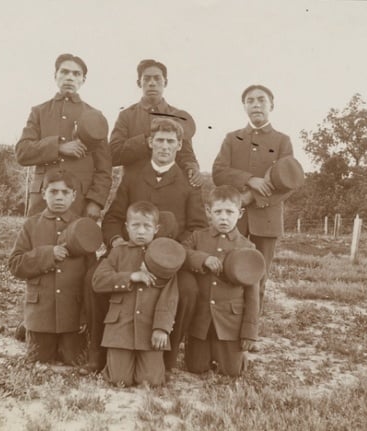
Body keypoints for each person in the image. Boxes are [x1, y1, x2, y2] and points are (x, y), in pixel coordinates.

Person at [101, 117, 207, 371]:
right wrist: (117, 243)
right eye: (159, 140)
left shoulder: (189, 183)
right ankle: (99, 350)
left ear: (179, 145)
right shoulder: (132, 177)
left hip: (171, 261)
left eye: (170, 141)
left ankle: (167, 355)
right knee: (90, 280)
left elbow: (197, 226)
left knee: (190, 290)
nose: (164, 146)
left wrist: (174, 252)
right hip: (130, 254)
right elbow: (113, 218)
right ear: (150, 142)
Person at [212, 84, 298, 314]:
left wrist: (251, 197)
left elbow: (289, 182)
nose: (256, 104)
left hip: (267, 220)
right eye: (250, 100)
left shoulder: (282, 141)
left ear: (272, 105)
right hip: (233, 219)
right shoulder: (232, 139)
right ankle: (225, 324)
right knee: (228, 269)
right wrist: (250, 179)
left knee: (258, 275)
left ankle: (251, 330)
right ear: (244, 106)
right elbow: (219, 172)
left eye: (261, 100)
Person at [8, 170, 93, 365]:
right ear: (44, 193)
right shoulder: (31, 225)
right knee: (39, 360)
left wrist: (85, 315)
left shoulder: (83, 227)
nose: (59, 197)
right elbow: (15, 264)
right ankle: (27, 328)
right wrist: (48, 254)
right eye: (53, 192)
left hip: (72, 317)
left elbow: (91, 276)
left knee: (75, 360)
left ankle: (26, 329)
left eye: (65, 192)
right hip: (41, 315)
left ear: (74, 196)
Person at [92, 201, 180, 386]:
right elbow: (98, 281)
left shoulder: (164, 256)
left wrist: (161, 328)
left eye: (146, 226)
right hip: (120, 328)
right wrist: (131, 276)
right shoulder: (118, 252)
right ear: (126, 227)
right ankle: (115, 364)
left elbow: (170, 296)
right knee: (119, 380)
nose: (141, 231)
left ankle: (154, 366)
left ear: (156, 228)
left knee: (150, 381)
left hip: (150, 328)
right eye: (135, 226)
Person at [15, 53, 112, 218]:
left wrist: (95, 201)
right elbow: (22, 153)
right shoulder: (39, 112)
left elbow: (104, 168)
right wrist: (58, 147)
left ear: (83, 80)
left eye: (76, 74)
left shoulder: (95, 116)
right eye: (64, 72)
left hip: (79, 201)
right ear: (55, 76)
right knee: (40, 242)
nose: (70, 77)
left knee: (74, 243)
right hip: (42, 200)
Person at [182, 185, 259, 376]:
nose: (224, 217)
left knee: (232, 371)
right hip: (201, 321)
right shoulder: (198, 237)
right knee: (196, 368)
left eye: (229, 212)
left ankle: (235, 354)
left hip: (230, 323)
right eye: (218, 212)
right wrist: (203, 259)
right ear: (209, 212)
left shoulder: (248, 247)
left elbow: (253, 295)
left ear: (240, 213)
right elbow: (181, 253)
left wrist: (249, 332)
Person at [109, 58, 202, 186]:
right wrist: (146, 141)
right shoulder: (126, 116)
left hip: (169, 188)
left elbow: (186, 154)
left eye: (157, 78)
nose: (152, 83)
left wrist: (192, 168)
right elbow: (114, 154)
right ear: (138, 83)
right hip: (133, 189)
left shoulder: (178, 116)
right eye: (146, 79)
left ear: (166, 82)